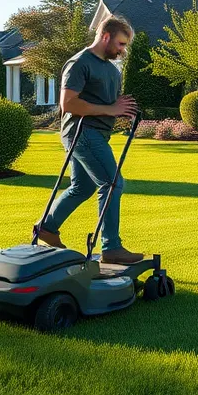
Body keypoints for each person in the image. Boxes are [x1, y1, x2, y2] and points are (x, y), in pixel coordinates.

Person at [35, 15, 144, 263]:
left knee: (82, 187)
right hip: (82, 133)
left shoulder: (110, 68)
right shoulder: (79, 63)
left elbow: (109, 104)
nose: (122, 50)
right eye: (120, 44)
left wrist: (122, 112)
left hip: (98, 134)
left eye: (125, 45)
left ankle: (47, 228)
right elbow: (69, 103)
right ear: (105, 36)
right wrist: (111, 110)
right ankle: (111, 248)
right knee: (113, 183)